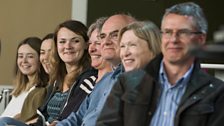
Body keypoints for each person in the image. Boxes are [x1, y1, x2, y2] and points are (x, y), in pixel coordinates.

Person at [98, 2, 224, 126]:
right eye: (168, 32)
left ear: (200, 39)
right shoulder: (128, 83)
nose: (173, 39)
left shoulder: (216, 92)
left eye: (183, 32)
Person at [0, 20, 98, 126]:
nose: (68, 46)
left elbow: (72, 117)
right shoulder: (58, 79)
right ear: (56, 46)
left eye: (75, 41)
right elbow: (42, 114)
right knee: (5, 122)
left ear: (86, 45)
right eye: (62, 41)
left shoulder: (89, 79)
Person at [54, 14, 136, 126]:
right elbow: (78, 117)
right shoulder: (105, 80)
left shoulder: (138, 80)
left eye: (114, 35)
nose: (106, 42)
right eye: (102, 37)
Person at [96, 20, 161, 126]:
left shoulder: (170, 81)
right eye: (122, 46)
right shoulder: (124, 82)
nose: (125, 53)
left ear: (153, 47)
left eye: (132, 45)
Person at [1, 37, 48, 118]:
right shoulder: (20, 90)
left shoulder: (41, 91)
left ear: (40, 59)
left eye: (30, 56)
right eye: (20, 56)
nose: (24, 61)